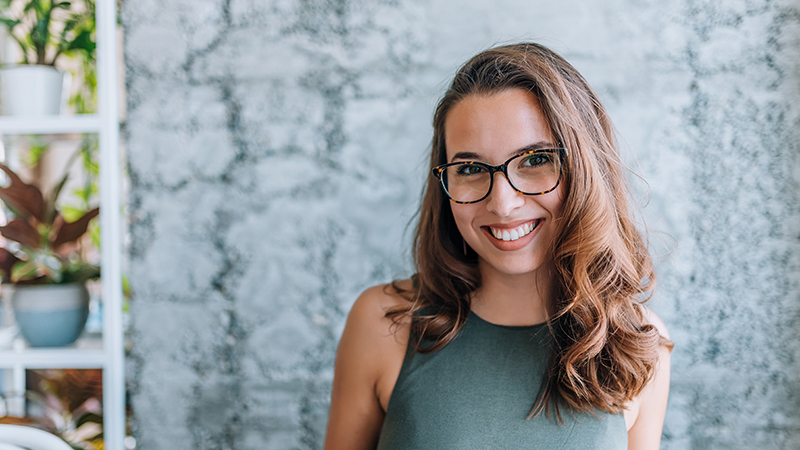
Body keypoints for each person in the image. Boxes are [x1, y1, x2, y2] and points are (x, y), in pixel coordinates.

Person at [324, 42, 673, 450]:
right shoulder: (382, 322)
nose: (503, 204)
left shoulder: (637, 340)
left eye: (536, 160)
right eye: (470, 169)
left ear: (585, 168)